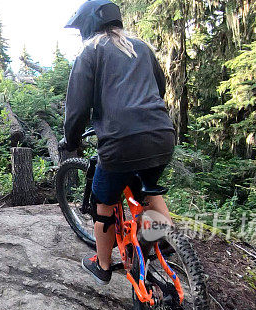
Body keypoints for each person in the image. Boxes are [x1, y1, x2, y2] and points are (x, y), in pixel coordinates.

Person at [59, 0, 175, 285]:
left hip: (120, 142)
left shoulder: (90, 52)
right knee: (147, 188)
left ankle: (102, 265)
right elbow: (159, 89)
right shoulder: (142, 47)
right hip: (162, 135)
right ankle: (164, 240)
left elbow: (76, 110)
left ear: (88, 25)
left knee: (104, 201)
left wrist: (70, 141)